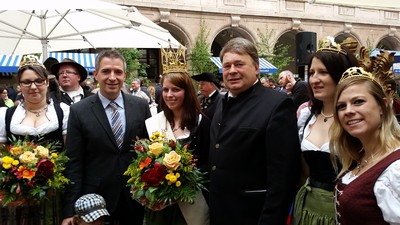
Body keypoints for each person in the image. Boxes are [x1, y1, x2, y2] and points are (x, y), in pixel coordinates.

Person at [209, 37, 301, 225]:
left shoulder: (278, 104)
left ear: (257, 68)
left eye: (239, 64)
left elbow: (283, 177)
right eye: (227, 66)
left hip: (253, 215)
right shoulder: (220, 102)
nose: (232, 71)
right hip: (219, 213)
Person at [61, 50, 151, 225]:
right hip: (94, 202)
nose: (112, 77)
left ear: (124, 75)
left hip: (134, 198)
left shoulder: (140, 106)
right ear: (95, 74)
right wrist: (69, 210)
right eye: (106, 71)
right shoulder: (79, 110)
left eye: (118, 72)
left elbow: (148, 152)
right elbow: (73, 162)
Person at [292, 38, 358, 225]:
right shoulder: (306, 116)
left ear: (340, 76)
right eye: (311, 72)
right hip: (307, 208)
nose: (314, 79)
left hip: (343, 212)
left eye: (323, 72)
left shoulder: (356, 119)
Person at [0, 55, 70, 225]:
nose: (33, 87)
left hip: (54, 194)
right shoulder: (6, 115)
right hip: (16, 195)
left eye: (38, 81)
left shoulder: (63, 112)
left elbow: (70, 155)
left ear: (47, 82)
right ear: (19, 85)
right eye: (26, 82)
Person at [144, 56, 210, 225]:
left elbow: (208, 163)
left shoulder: (202, 122)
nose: (169, 95)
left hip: (191, 202)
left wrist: (182, 176)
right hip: (162, 206)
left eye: (175, 90)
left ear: (187, 92)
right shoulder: (155, 122)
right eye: (165, 90)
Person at [330, 66, 400, 224]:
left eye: (358, 102)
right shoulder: (360, 156)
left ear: (382, 106)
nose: (348, 111)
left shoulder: (396, 169)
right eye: (341, 106)